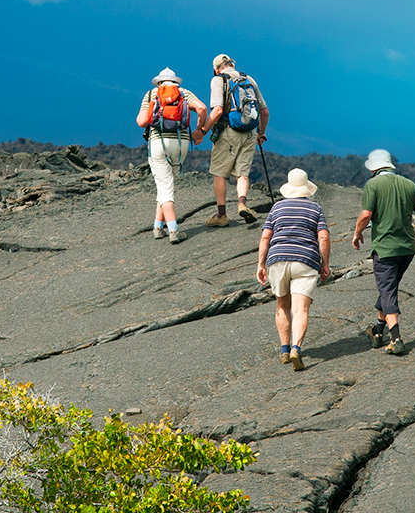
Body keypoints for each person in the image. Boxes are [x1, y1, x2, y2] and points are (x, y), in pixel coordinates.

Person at [351, 149, 415, 355]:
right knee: (389, 287)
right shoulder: (409, 184)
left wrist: (357, 232)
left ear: (374, 168)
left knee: (387, 291)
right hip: (407, 248)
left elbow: (366, 214)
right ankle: (378, 331)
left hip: (385, 248)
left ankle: (395, 338)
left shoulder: (373, 185)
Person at [256, 169, 330, 371]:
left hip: (278, 259)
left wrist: (261, 265)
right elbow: (323, 237)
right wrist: (325, 264)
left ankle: (285, 350)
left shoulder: (277, 208)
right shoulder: (315, 209)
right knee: (300, 309)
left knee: (282, 305)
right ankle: (297, 347)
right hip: (305, 260)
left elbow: (265, 237)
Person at [191, 54, 269, 227]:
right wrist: (261, 133)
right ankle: (242, 204)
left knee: (220, 173)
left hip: (228, 132)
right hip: (249, 133)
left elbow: (218, 110)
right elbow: (264, 112)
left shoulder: (219, 80)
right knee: (242, 173)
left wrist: (202, 131)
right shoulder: (248, 79)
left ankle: (221, 215)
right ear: (232, 64)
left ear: (216, 69)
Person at [137, 67, 208, 244]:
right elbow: (202, 108)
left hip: (158, 143)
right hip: (181, 143)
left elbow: (141, 122)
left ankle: (173, 230)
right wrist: (199, 130)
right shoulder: (184, 93)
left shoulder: (151, 94)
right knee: (166, 184)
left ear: (159, 82)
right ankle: (157, 226)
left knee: (164, 186)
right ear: (175, 81)